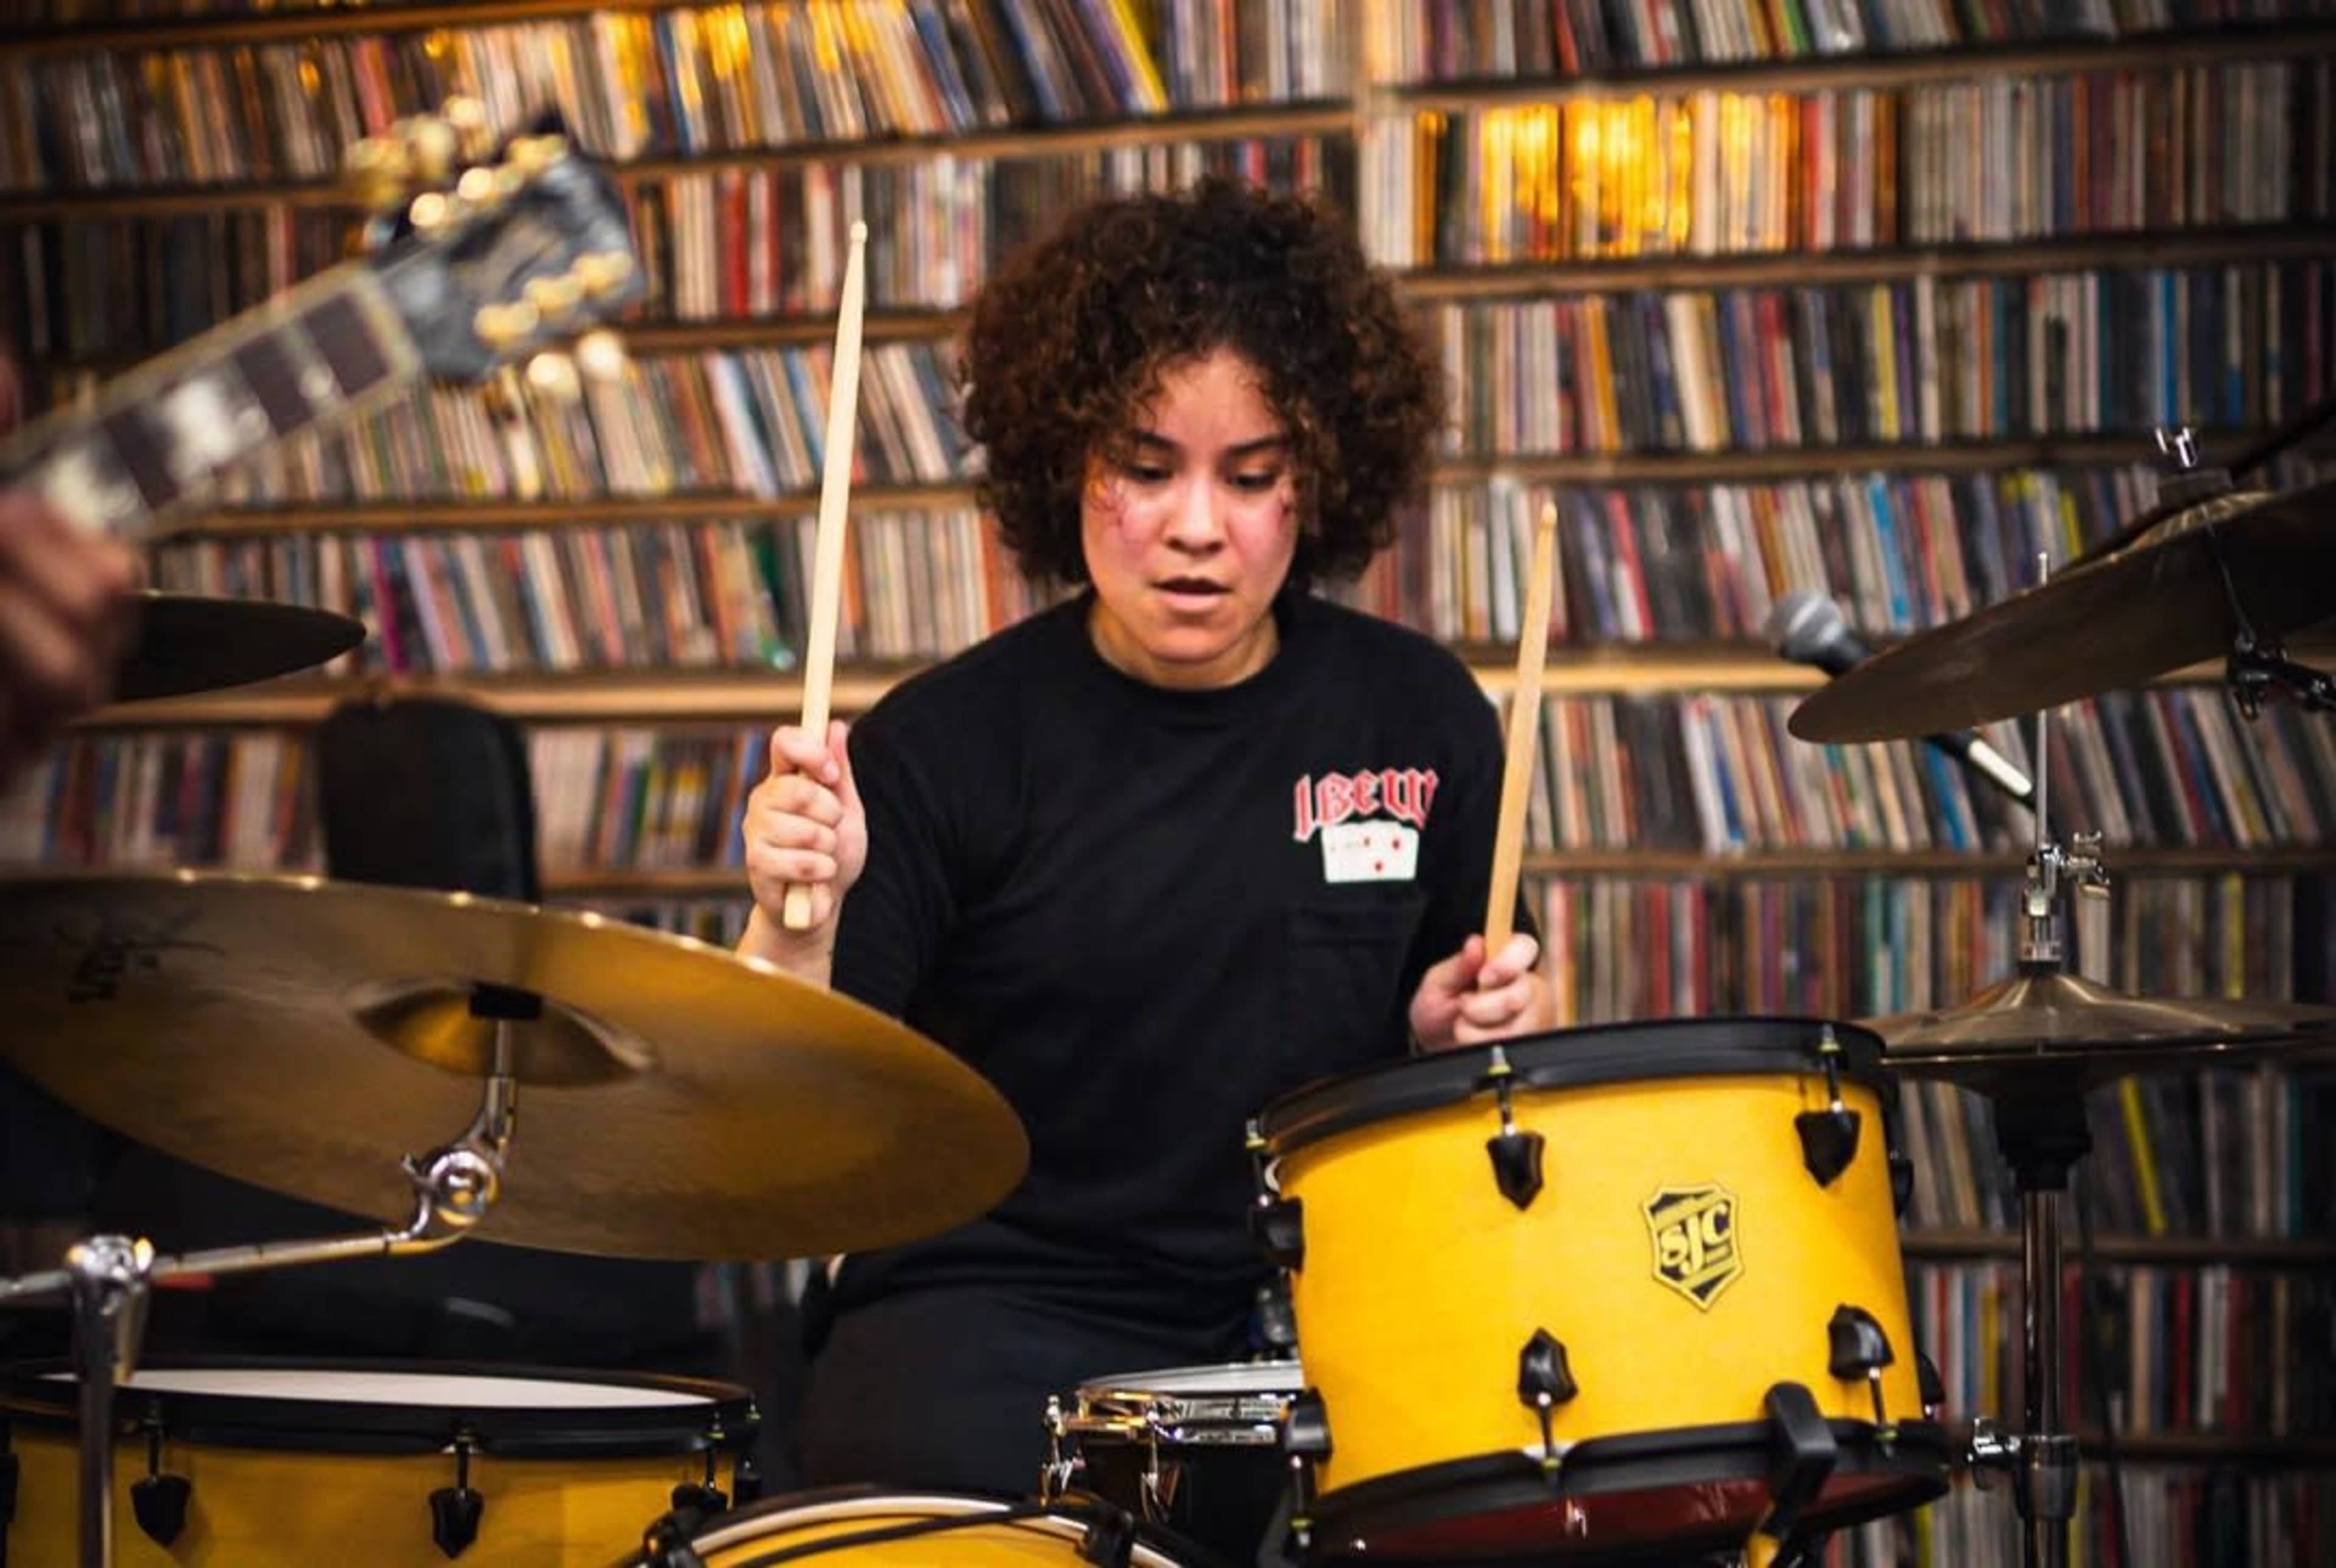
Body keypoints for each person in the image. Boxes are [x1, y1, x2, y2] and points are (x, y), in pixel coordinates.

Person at [735, 178, 1555, 1557]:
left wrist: (1452, 1034)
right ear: (1068, 459)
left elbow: (1492, 1071)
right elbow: (784, 1124)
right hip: (989, 1313)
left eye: (1251, 475)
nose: (1196, 526)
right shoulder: (942, 745)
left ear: (1323, 476)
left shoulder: (1422, 719)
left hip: (1316, 1321)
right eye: (1146, 464)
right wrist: (789, 921)